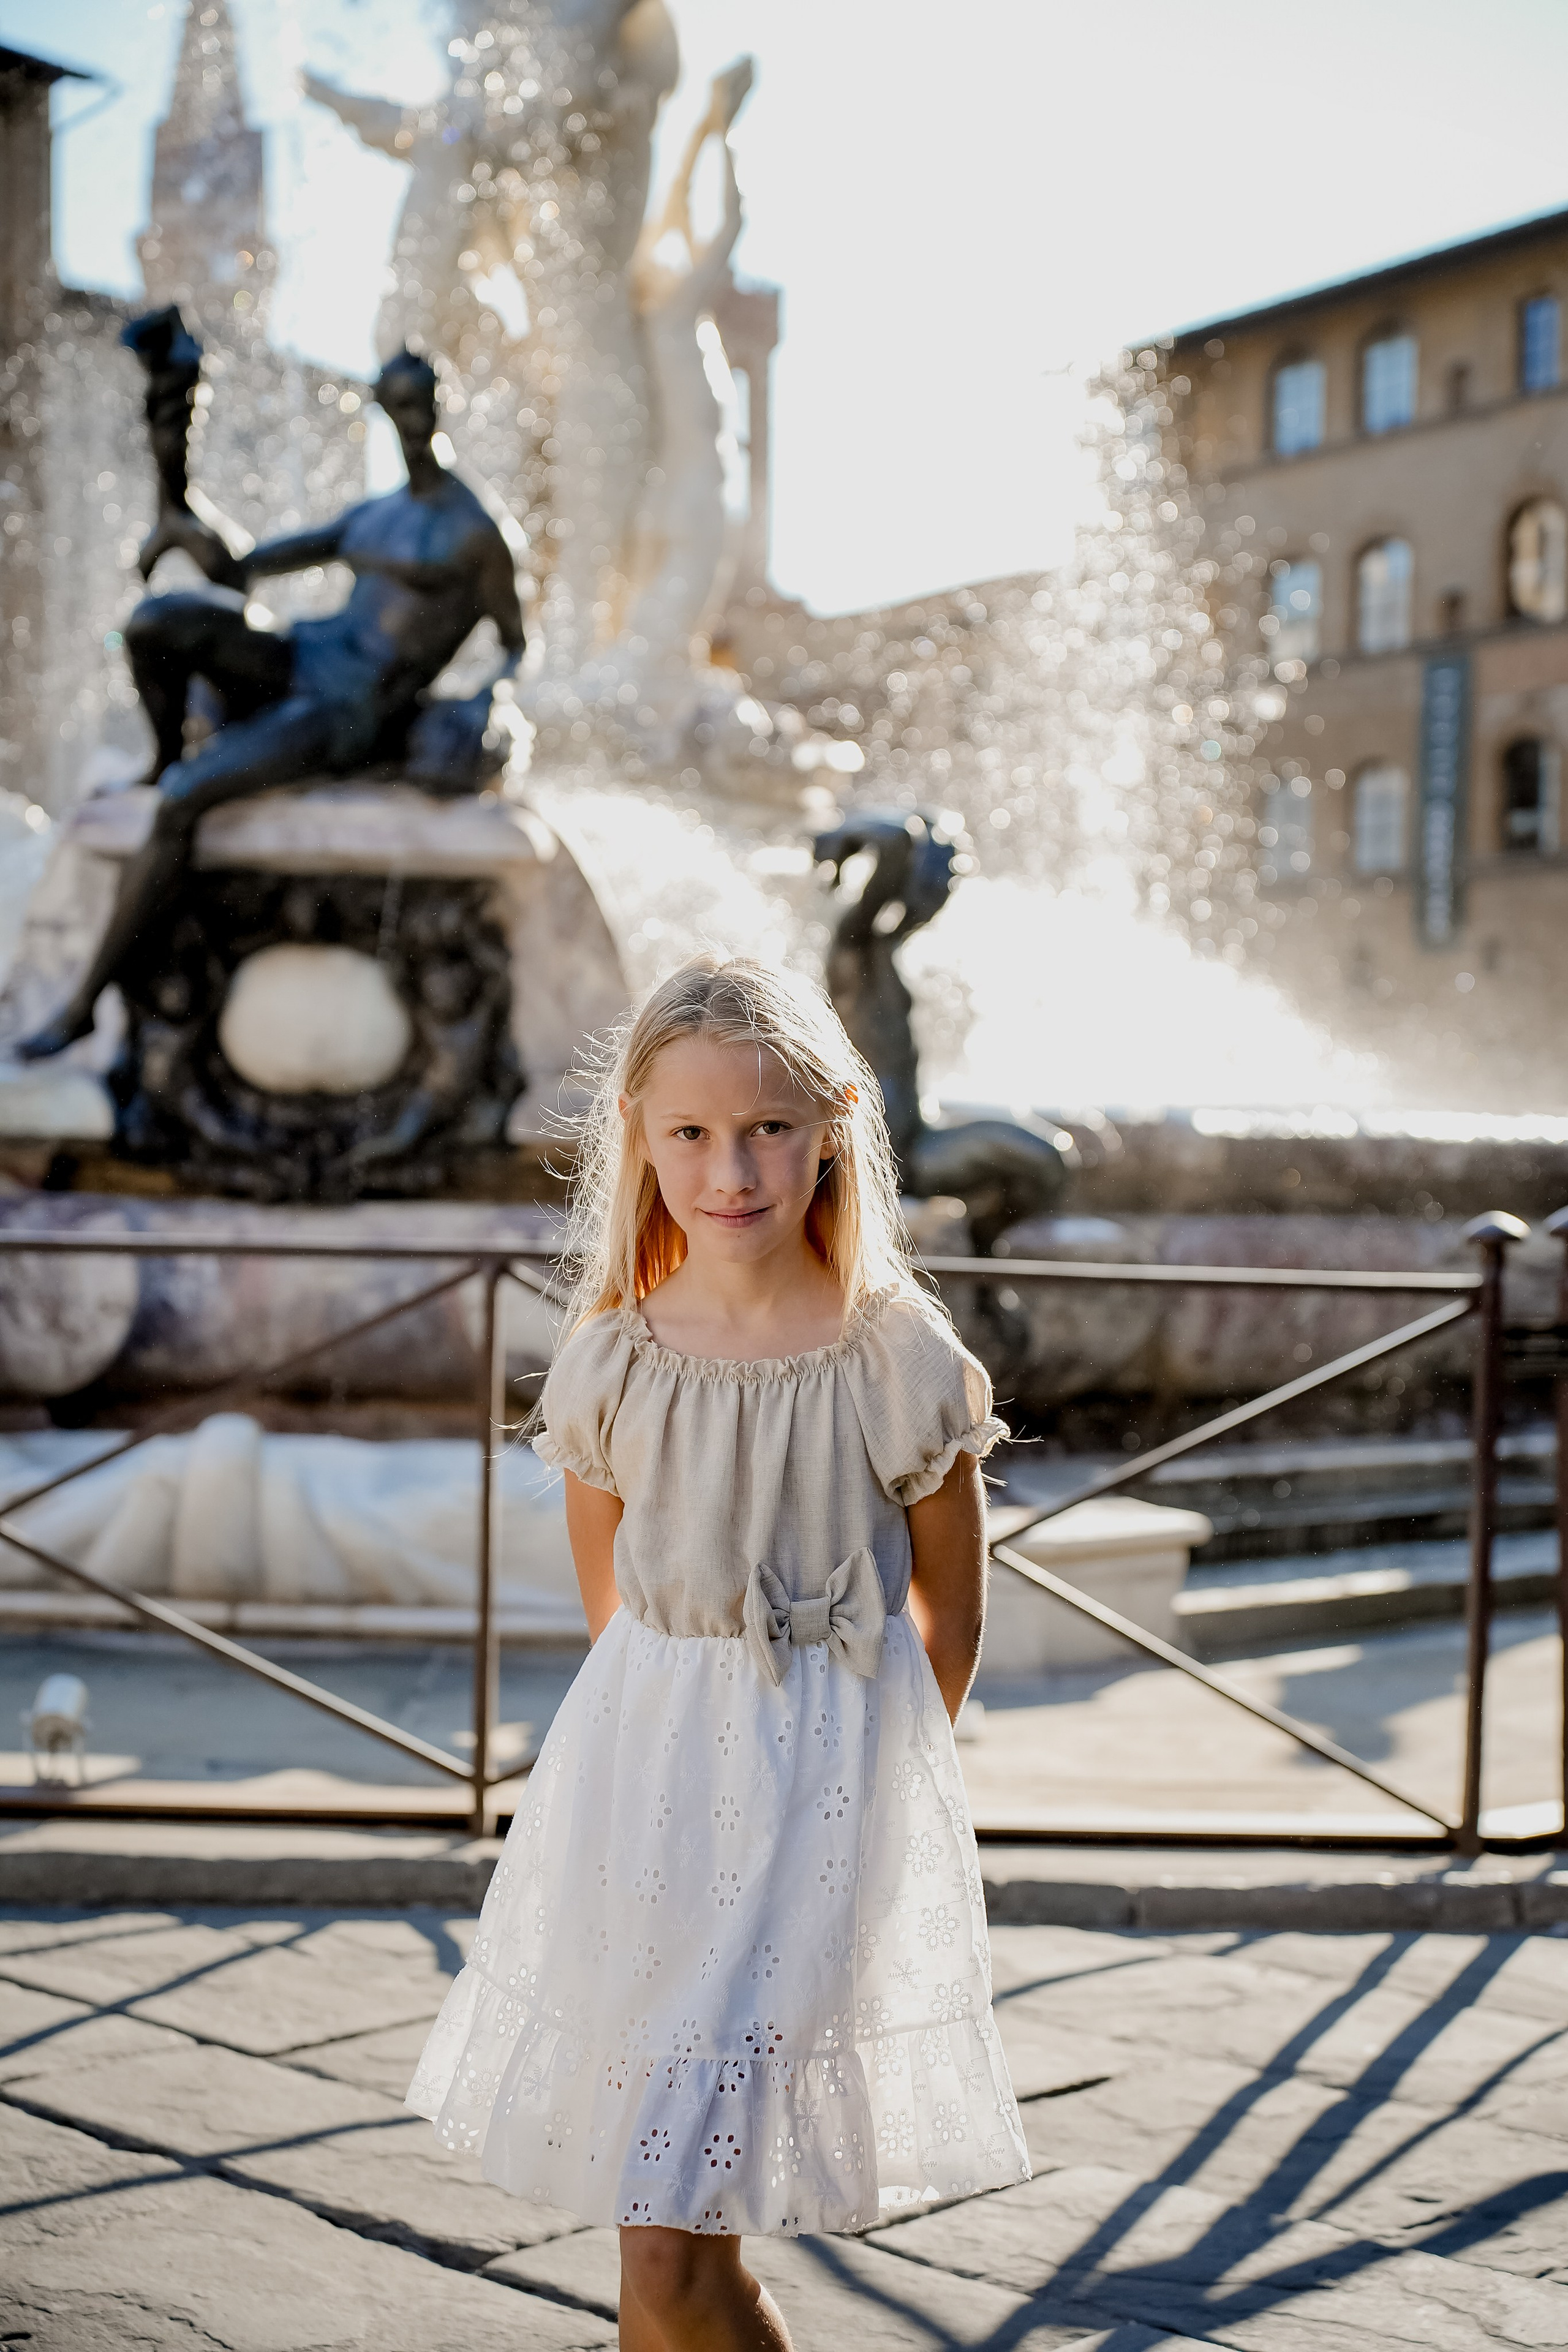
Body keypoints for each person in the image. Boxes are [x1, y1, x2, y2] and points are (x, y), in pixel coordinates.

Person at [407, 954, 1030, 2349]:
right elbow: (613, 1612)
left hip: (815, 1810)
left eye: (763, 1128)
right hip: (645, 1812)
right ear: (635, 1133)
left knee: (666, 2229)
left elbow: (952, 1607)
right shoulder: (614, 1354)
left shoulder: (893, 1353)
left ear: (831, 1130)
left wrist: (861, 1790)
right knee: (664, 2237)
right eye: (687, 1130)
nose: (727, 1166)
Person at [18, 348, 524, 1061]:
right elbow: (241, 567)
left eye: (420, 404)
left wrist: (490, 699)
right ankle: (162, 754)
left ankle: (80, 1005)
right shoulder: (372, 517)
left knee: (185, 802)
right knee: (159, 620)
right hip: (302, 657)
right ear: (381, 409)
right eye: (397, 405)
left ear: (440, 406)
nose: (410, 420)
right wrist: (178, 489)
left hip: (351, 709)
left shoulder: (477, 534)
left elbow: (515, 643)